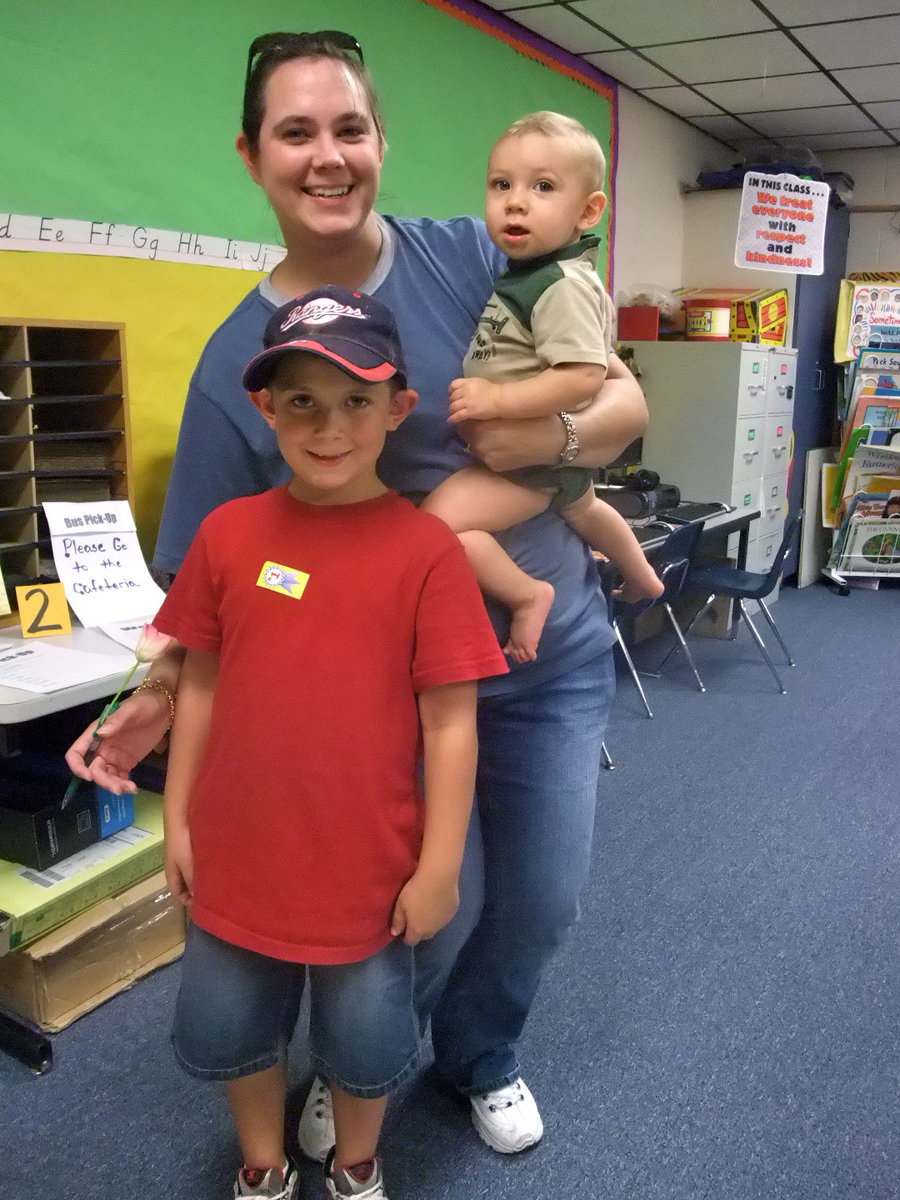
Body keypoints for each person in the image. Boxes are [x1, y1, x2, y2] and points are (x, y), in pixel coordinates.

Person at [66, 31, 648, 1165]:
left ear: (381, 142)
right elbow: (215, 579)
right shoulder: (239, 362)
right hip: (385, 696)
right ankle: (363, 1068)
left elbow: (622, 406)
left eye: (348, 129)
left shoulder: (478, 255)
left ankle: (481, 1056)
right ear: (252, 156)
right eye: (296, 132)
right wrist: (158, 690)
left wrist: (547, 446)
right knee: (413, 919)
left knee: (538, 900)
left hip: (545, 652)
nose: (326, 157)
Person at [152, 286, 509, 1200]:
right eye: (301, 400)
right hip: (239, 853)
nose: (329, 425)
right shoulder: (229, 535)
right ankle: (264, 1166)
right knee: (234, 1027)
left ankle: (356, 1168)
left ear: (398, 409)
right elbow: (199, 680)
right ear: (266, 408)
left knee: (364, 1043)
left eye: (355, 399)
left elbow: (452, 720)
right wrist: (177, 822)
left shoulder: (427, 553)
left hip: (368, 869)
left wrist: (439, 867)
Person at [422, 112, 662, 663]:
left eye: (543, 187)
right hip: (549, 463)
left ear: (588, 211)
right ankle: (642, 574)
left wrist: (498, 400)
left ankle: (528, 595)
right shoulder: (533, 272)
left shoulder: (559, 284)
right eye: (501, 184)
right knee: (584, 507)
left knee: (436, 529)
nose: (515, 201)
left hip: (532, 461)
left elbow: (584, 374)